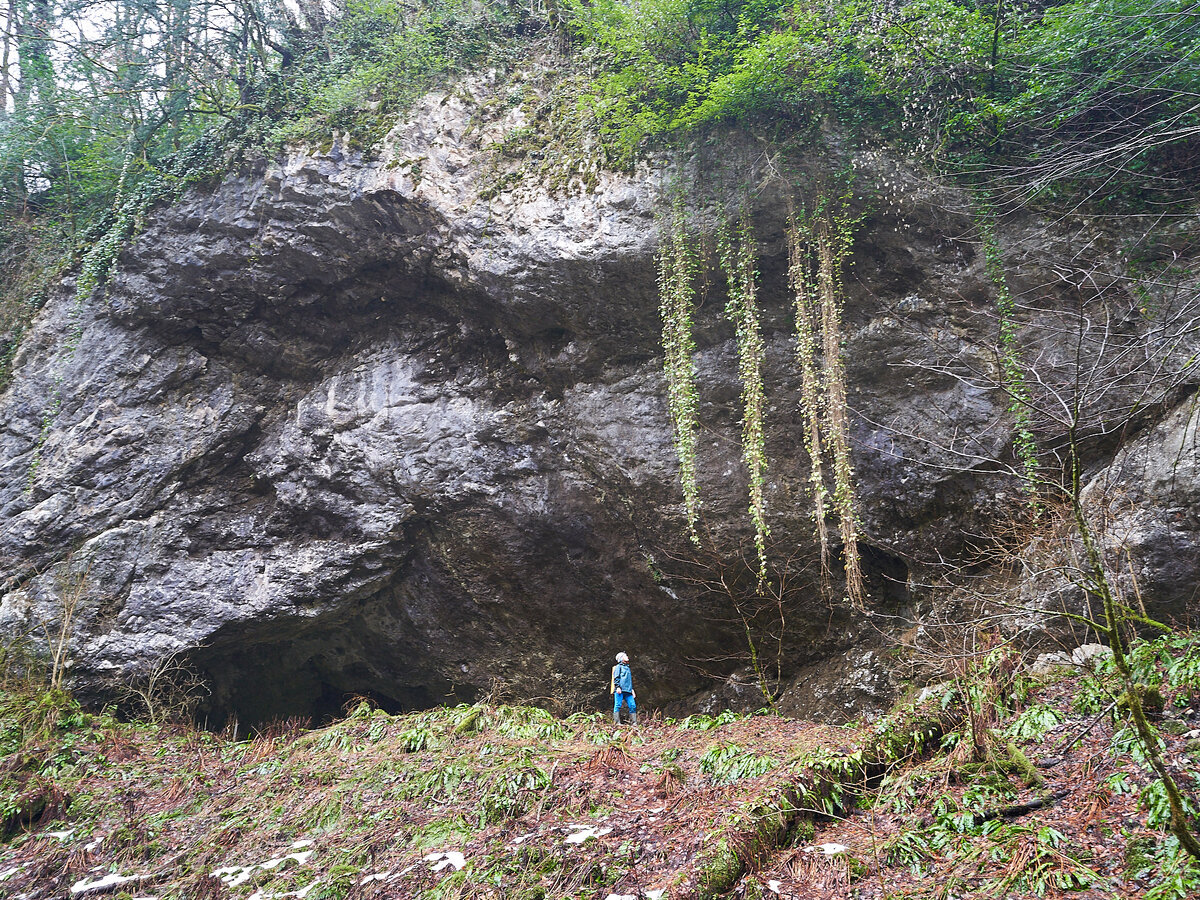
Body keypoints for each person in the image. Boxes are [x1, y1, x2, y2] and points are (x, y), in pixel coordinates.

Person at [610, 652, 637, 726]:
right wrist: (618, 687)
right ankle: (617, 722)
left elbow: (629, 680)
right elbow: (616, 677)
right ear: (621, 658)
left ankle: (634, 723)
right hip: (620, 690)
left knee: (632, 705)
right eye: (625, 656)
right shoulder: (618, 667)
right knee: (617, 705)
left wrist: (632, 689)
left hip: (628, 690)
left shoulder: (628, 668)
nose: (627, 656)